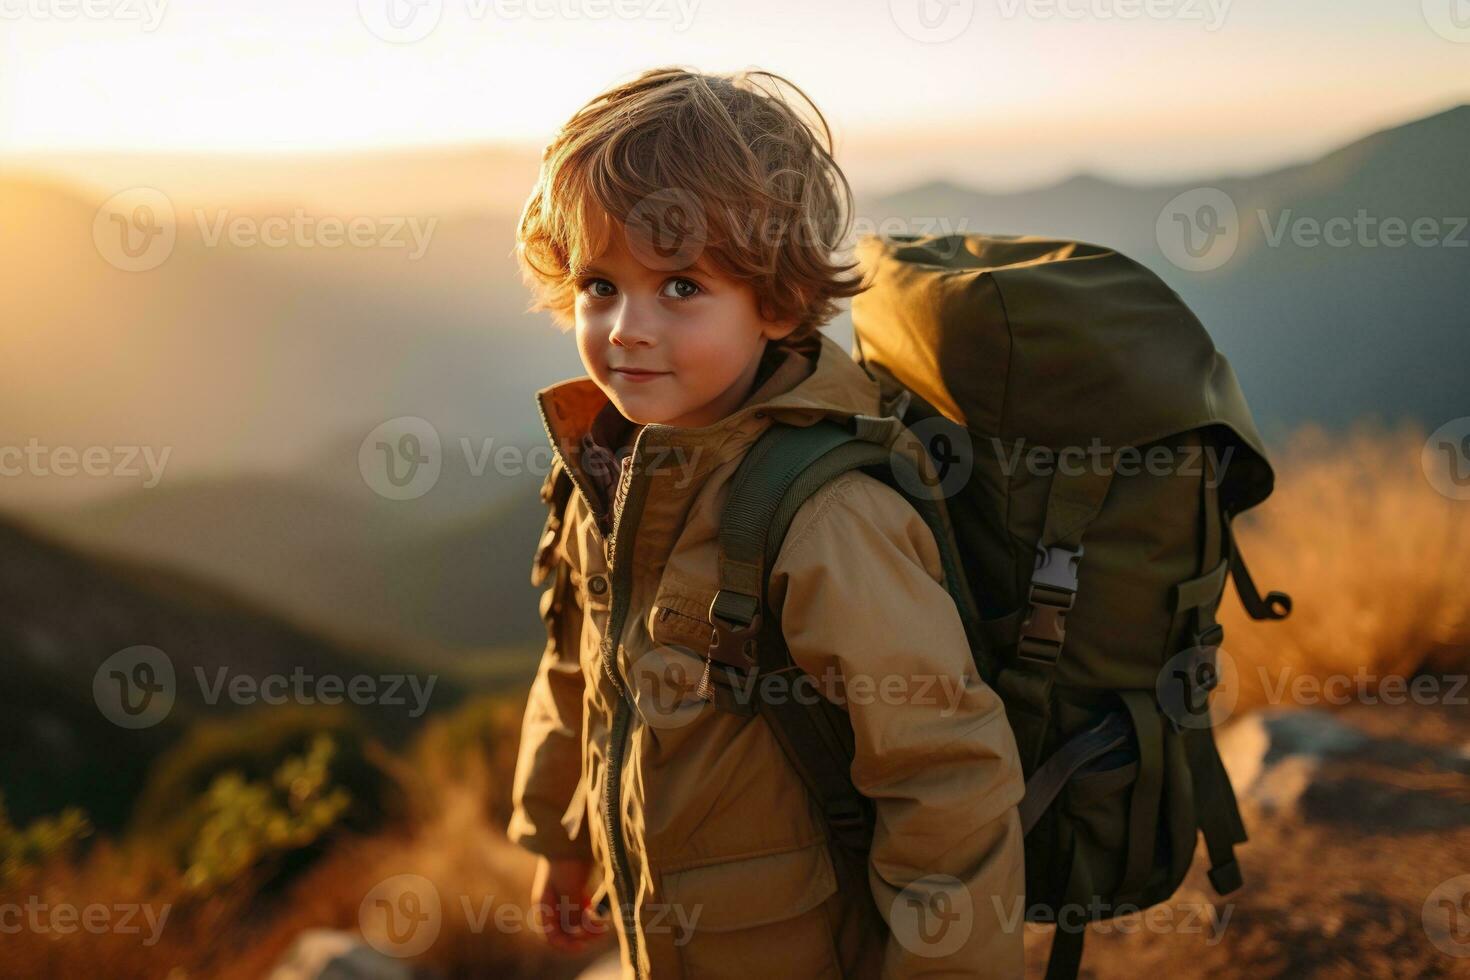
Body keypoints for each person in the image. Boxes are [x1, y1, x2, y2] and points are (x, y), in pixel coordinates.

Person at [507, 65, 1026, 979]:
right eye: (598, 284)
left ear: (778, 301)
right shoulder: (613, 464)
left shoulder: (828, 519)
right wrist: (561, 834)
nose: (625, 328)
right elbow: (578, 664)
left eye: (679, 288)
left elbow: (945, 776)